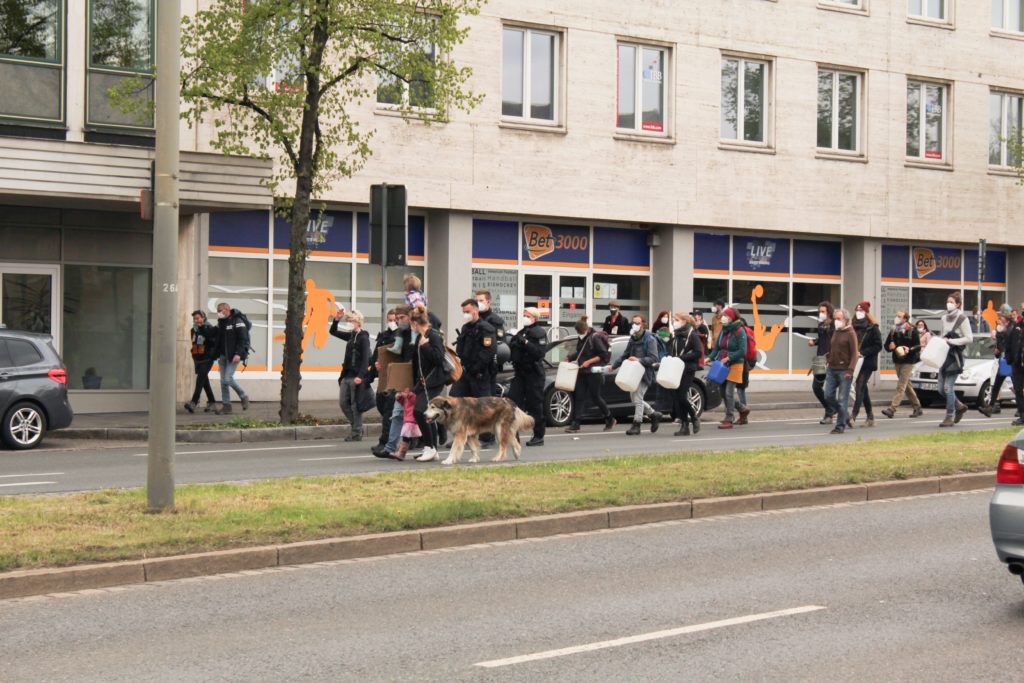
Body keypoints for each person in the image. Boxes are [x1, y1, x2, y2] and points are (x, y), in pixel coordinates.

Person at [373, 305, 416, 460]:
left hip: (416, 381)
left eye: (401, 318)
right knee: (397, 414)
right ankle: (390, 447)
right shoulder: (401, 334)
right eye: (396, 319)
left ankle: (430, 446)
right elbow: (396, 355)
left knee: (419, 416)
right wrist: (380, 364)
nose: (398, 321)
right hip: (403, 378)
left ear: (410, 316)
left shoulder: (418, 334)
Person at [612, 314, 663, 435]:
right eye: (633, 323)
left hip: (645, 373)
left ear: (643, 324)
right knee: (634, 398)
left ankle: (637, 425)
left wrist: (639, 360)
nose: (635, 325)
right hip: (633, 373)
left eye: (637, 323)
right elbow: (625, 354)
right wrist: (614, 366)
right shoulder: (633, 338)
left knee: (638, 398)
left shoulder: (649, 339)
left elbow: (654, 358)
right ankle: (654, 414)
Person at [410, 309, 448, 462]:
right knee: (427, 414)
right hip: (423, 382)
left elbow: (439, 359)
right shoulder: (421, 336)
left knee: (420, 412)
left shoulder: (433, 335)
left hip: (434, 382)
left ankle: (430, 447)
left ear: (415, 323)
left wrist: (425, 347)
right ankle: (432, 448)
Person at [565, 317, 614, 433]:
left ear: (585, 330)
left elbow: (602, 355)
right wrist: (569, 358)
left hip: (593, 372)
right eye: (578, 333)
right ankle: (576, 423)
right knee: (579, 397)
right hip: (582, 371)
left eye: (580, 332)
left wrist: (588, 362)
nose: (579, 334)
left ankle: (609, 418)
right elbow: (580, 352)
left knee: (595, 397)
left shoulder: (595, 337)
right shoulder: (582, 338)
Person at [508, 307, 548, 446]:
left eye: (527, 315)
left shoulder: (539, 333)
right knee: (513, 402)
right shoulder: (521, 332)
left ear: (534, 318)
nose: (524, 317)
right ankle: (514, 435)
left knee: (535, 405)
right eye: (523, 315)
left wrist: (525, 343)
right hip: (520, 373)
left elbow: (539, 353)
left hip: (534, 374)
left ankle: (538, 436)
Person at [331, 309, 371, 442]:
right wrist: (337, 320)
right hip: (346, 376)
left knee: (355, 406)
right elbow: (333, 332)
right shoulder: (351, 336)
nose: (348, 323)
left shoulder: (363, 337)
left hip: (356, 377)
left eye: (350, 321)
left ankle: (356, 433)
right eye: (347, 320)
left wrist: (361, 375)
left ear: (357, 322)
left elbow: (365, 359)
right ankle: (357, 427)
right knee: (343, 403)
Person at [709, 306, 749, 429]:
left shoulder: (740, 331)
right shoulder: (724, 330)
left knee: (729, 392)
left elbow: (742, 351)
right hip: (722, 364)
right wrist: (709, 358)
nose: (723, 318)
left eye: (726, 316)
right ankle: (742, 408)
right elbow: (717, 347)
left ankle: (729, 417)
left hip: (735, 364)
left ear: (732, 318)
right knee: (722, 392)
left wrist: (729, 357)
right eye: (723, 316)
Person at [938, 292, 972, 428]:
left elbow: (969, 338)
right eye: (948, 301)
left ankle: (949, 416)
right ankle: (959, 406)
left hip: (955, 357)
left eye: (951, 301)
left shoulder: (962, 319)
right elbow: (942, 335)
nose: (949, 304)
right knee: (941, 389)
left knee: (948, 387)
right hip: (943, 357)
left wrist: (951, 341)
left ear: (957, 304)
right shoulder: (943, 318)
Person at [881, 310, 923, 419]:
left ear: (905, 319)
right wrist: (889, 347)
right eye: (897, 316)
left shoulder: (912, 330)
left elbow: (918, 346)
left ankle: (892, 408)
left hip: (908, 361)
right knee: (906, 385)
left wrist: (909, 349)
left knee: (901, 385)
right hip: (898, 360)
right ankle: (917, 406)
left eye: (899, 316)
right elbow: (886, 346)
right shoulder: (893, 330)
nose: (897, 318)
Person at [452, 299, 497, 400]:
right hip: (465, 372)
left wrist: (475, 368)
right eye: (463, 312)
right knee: (454, 401)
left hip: (479, 374)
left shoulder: (486, 328)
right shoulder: (465, 327)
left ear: (475, 311)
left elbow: (489, 351)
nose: (465, 314)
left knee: (483, 406)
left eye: (467, 312)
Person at [824, 308, 859, 434]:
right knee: (827, 395)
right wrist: (828, 359)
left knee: (842, 398)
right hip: (832, 369)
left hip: (844, 370)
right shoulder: (836, 332)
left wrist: (850, 370)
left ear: (845, 320)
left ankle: (840, 426)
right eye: (835, 319)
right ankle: (846, 415)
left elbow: (855, 354)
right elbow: (833, 348)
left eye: (839, 319)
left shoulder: (850, 333)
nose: (836, 321)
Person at [670, 312, 704, 436]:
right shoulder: (677, 335)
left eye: (677, 319)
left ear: (685, 321)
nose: (675, 321)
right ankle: (684, 426)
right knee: (677, 398)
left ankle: (694, 417)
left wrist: (682, 357)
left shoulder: (692, 335)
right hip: (676, 369)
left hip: (688, 369)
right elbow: (673, 352)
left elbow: (698, 352)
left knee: (682, 396)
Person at [369, 309, 399, 451]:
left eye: (394, 320)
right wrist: (371, 370)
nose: (392, 323)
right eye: (390, 320)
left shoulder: (401, 336)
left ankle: (385, 442)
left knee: (389, 411)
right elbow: (377, 353)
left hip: (396, 376)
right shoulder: (384, 335)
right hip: (383, 375)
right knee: (381, 405)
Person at [214, 301, 251, 414]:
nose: (218, 313)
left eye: (220, 310)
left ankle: (243, 396)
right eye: (217, 311)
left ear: (227, 310)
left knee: (227, 379)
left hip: (234, 355)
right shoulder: (222, 322)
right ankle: (226, 406)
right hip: (223, 356)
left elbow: (243, 339)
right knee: (223, 382)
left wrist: (238, 353)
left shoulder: (237, 321)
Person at [849, 301, 882, 428]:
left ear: (866, 313)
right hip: (855, 362)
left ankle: (853, 416)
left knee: (859, 386)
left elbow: (878, 345)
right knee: (863, 390)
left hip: (867, 362)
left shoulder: (873, 327)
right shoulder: (852, 326)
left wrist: (863, 352)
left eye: (861, 310)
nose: (858, 312)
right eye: (857, 310)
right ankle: (870, 416)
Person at [980, 305, 1014, 417]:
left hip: (1010, 362)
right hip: (1001, 361)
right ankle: (990, 407)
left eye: (1001, 321)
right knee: (996, 384)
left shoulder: (1011, 331)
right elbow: (1000, 345)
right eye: (998, 320)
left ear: (1007, 322)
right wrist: (997, 350)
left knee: (1014, 385)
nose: (999, 323)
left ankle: (1021, 406)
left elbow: (1010, 346)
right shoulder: (1000, 331)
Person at [185, 310, 219, 413]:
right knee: (204, 381)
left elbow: (213, 341)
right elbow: (194, 343)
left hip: (208, 358)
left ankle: (194, 402)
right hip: (198, 358)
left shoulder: (209, 328)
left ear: (203, 318)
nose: (196, 320)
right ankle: (212, 403)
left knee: (200, 379)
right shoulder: (193, 330)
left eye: (198, 318)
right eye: (195, 319)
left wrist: (203, 330)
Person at [808, 301, 835, 425]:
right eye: (820, 311)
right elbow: (823, 340)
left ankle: (830, 413)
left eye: (823, 311)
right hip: (820, 359)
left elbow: (834, 341)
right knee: (816, 387)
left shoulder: (834, 324)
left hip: (830, 358)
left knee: (829, 389)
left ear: (829, 312)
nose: (821, 313)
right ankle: (830, 408)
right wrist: (815, 341)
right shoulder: (821, 324)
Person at [1003, 313, 1024, 426]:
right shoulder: (1017, 327)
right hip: (1017, 364)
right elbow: (1009, 343)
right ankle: (1022, 415)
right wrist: (1009, 358)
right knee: (1018, 390)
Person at [392, 389, 420, 461]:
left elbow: (414, 400)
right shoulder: (407, 395)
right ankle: (402, 453)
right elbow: (404, 402)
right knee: (406, 437)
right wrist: (399, 398)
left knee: (406, 437)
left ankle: (401, 453)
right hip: (408, 418)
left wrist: (408, 395)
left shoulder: (414, 394)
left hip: (412, 418)